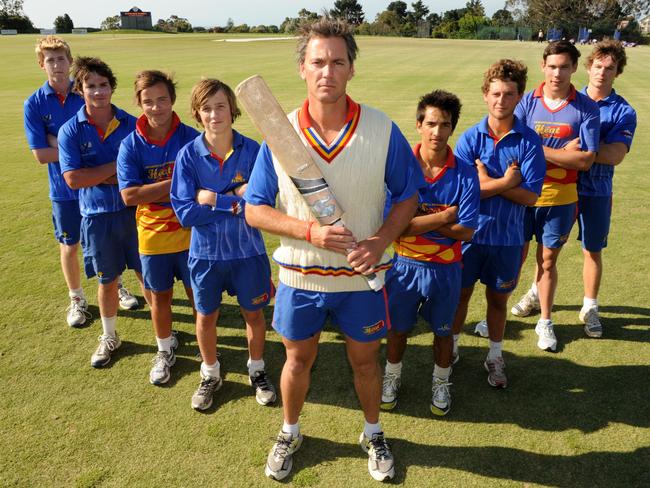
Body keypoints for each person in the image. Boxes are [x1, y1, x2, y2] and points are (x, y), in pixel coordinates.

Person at [245, 16, 423, 482]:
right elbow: (254, 209)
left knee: (365, 362)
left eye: (337, 62)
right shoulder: (280, 134)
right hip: (300, 277)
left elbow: (408, 196)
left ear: (351, 69)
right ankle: (290, 430)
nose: (327, 71)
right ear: (303, 68)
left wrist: (382, 239)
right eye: (317, 61)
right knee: (296, 360)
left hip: (362, 280)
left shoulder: (382, 130)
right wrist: (310, 234)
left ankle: (373, 430)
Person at [170, 79, 276, 411]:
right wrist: (236, 197)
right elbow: (185, 212)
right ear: (197, 114)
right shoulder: (188, 155)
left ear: (232, 108)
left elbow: (263, 205)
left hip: (249, 253)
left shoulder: (254, 150)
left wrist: (212, 198)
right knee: (206, 317)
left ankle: (256, 369)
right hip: (206, 256)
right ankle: (210, 373)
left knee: (254, 314)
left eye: (220, 106)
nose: (214, 114)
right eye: (206, 108)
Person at [380, 90, 479, 415]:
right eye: (432, 123)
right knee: (397, 331)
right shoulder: (400, 166)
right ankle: (391, 377)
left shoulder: (464, 171)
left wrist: (416, 218)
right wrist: (444, 216)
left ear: (453, 128)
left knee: (444, 333)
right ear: (419, 124)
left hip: (447, 269)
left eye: (445, 125)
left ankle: (441, 381)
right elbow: (395, 227)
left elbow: (467, 231)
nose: (437, 132)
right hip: (405, 266)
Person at [451, 60, 545, 388]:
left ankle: (495, 355)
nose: (500, 100)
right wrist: (505, 182)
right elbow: (462, 193)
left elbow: (531, 197)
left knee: (498, 301)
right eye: (495, 93)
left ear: (519, 97)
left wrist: (485, 182)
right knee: (459, 296)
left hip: (507, 239)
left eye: (508, 94)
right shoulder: (469, 138)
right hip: (468, 238)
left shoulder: (529, 141)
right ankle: (451, 347)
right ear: (485, 94)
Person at [512, 41, 599, 352]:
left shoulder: (587, 108)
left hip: (561, 198)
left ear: (574, 68)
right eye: (552, 66)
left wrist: (535, 148)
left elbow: (586, 160)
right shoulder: (525, 102)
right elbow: (516, 151)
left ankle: (545, 322)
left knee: (547, 261)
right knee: (513, 258)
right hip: (522, 195)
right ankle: (497, 315)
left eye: (564, 66)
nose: (557, 73)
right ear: (543, 66)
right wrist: (560, 152)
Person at [58, 57, 145, 367]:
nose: (98, 91)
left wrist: (97, 173)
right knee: (108, 280)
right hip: (96, 216)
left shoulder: (133, 124)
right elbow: (73, 178)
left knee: (147, 275)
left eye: (103, 85)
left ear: (111, 87)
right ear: (80, 90)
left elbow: (142, 171)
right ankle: (110, 336)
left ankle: (164, 333)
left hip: (134, 213)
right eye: (90, 86)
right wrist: (116, 169)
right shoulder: (70, 130)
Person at [117, 70, 199, 385]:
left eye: (162, 99)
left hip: (191, 231)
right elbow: (129, 196)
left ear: (172, 100)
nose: (156, 107)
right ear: (139, 103)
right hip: (151, 235)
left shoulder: (191, 137)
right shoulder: (130, 145)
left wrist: (155, 189)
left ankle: (208, 351)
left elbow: (203, 184)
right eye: (148, 101)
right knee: (160, 298)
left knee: (197, 296)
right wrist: (179, 183)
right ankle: (165, 350)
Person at [576, 40, 636, 337]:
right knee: (549, 249)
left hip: (597, 190)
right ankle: (537, 292)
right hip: (562, 188)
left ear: (617, 72)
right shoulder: (570, 100)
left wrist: (582, 151)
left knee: (592, 250)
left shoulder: (624, 111)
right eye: (598, 66)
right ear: (588, 67)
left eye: (609, 68)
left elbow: (615, 155)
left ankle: (590, 308)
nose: (602, 72)